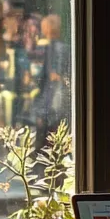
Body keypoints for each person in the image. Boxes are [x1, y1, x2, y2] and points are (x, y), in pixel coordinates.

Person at [33, 14, 70, 155]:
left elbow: (44, 75)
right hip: (54, 95)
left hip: (52, 95)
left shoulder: (50, 48)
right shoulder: (59, 47)